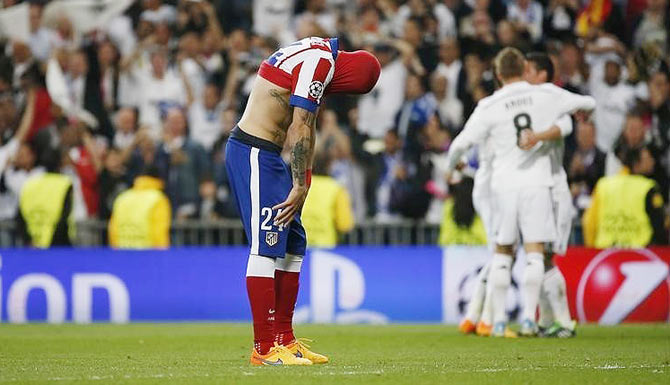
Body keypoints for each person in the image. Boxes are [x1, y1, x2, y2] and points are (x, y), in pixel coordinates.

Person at [224, 36, 380, 365]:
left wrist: (304, 183)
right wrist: (297, 182)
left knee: (294, 241)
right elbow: (298, 127)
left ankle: (285, 338)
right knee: (266, 243)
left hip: (267, 155)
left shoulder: (318, 56)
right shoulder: (321, 62)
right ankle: (264, 347)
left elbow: (306, 127)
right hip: (252, 151)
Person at [444, 47, 595, 337]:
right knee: (537, 253)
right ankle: (527, 319)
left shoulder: (490, 106)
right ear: (523, 68)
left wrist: (451, 169)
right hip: (540, 184)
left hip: (502, 185)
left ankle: (498, 320)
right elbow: (586, 104)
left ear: (498, 74)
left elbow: (459, 145)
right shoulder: (548, 96)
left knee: (504, 251)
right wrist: (584, 113)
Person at [582, 146, 669, 248]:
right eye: (648, 158)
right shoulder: (649, 187)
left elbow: (589, 221)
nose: (652, 162)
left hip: (605, 252)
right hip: (640, 253)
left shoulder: (603, 185)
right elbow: (659, 224)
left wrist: (591, 249)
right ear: (636, 164)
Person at [17, 150, 75, 248]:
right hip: (58, 244)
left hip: (32, 243)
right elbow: (64, 216)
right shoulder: (65, 183)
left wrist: (29, 239)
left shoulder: (30, 183)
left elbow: (20, 215)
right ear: (60, 163)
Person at [108, 166, 171, 249]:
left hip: (123, 252)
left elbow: (113, 229)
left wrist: (115, 251)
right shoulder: (158, 198)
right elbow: (159, 232)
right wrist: (161, 255)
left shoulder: (123, 197)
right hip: (148, 254)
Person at [301, 153, 354, 248]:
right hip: (326, 246)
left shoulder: (299, 186)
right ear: (329, 166)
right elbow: (344, 224)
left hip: (300, 245)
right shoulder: (336, 188)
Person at [438, 175, 487, 246]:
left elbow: (446, 234)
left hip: (452, 247)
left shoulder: (449, 205)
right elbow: (482, 234)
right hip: (477, 247)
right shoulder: (480, 206)